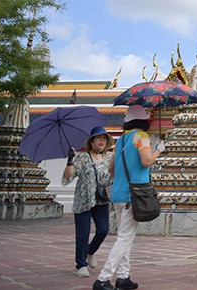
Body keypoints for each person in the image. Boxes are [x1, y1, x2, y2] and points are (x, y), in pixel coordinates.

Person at [93, 105, 164, 290]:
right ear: (143, 121)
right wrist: (159, 150)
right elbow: (147, 160)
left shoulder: (121, 140)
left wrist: (122, 182)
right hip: (135, 195)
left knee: (125, 236)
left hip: (118, 194)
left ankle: (123, 277)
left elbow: (110, 168)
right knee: (125, 238)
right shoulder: (141, 137)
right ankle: (103, 278)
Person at [62, 126, 114, 278]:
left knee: (104, 230)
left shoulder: (111, 158)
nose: (101, 141)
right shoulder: (83, 158)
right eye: (98, 138)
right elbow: (68, 177)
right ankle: (81, 264)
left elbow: (115, 174)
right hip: (83, 200)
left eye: (104, 139)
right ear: (92, 141)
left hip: (102, 200)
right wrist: (70, 161)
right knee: (82, 233)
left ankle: (90, 251)